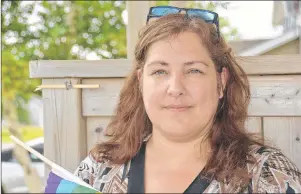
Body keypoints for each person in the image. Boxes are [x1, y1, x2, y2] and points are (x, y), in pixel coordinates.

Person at [74, 6, 301, 193]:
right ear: (141, 81)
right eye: (160, 72)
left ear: (221, 82)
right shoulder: (95, 171)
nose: (175, 88)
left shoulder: (269, 177)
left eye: (194, 71)